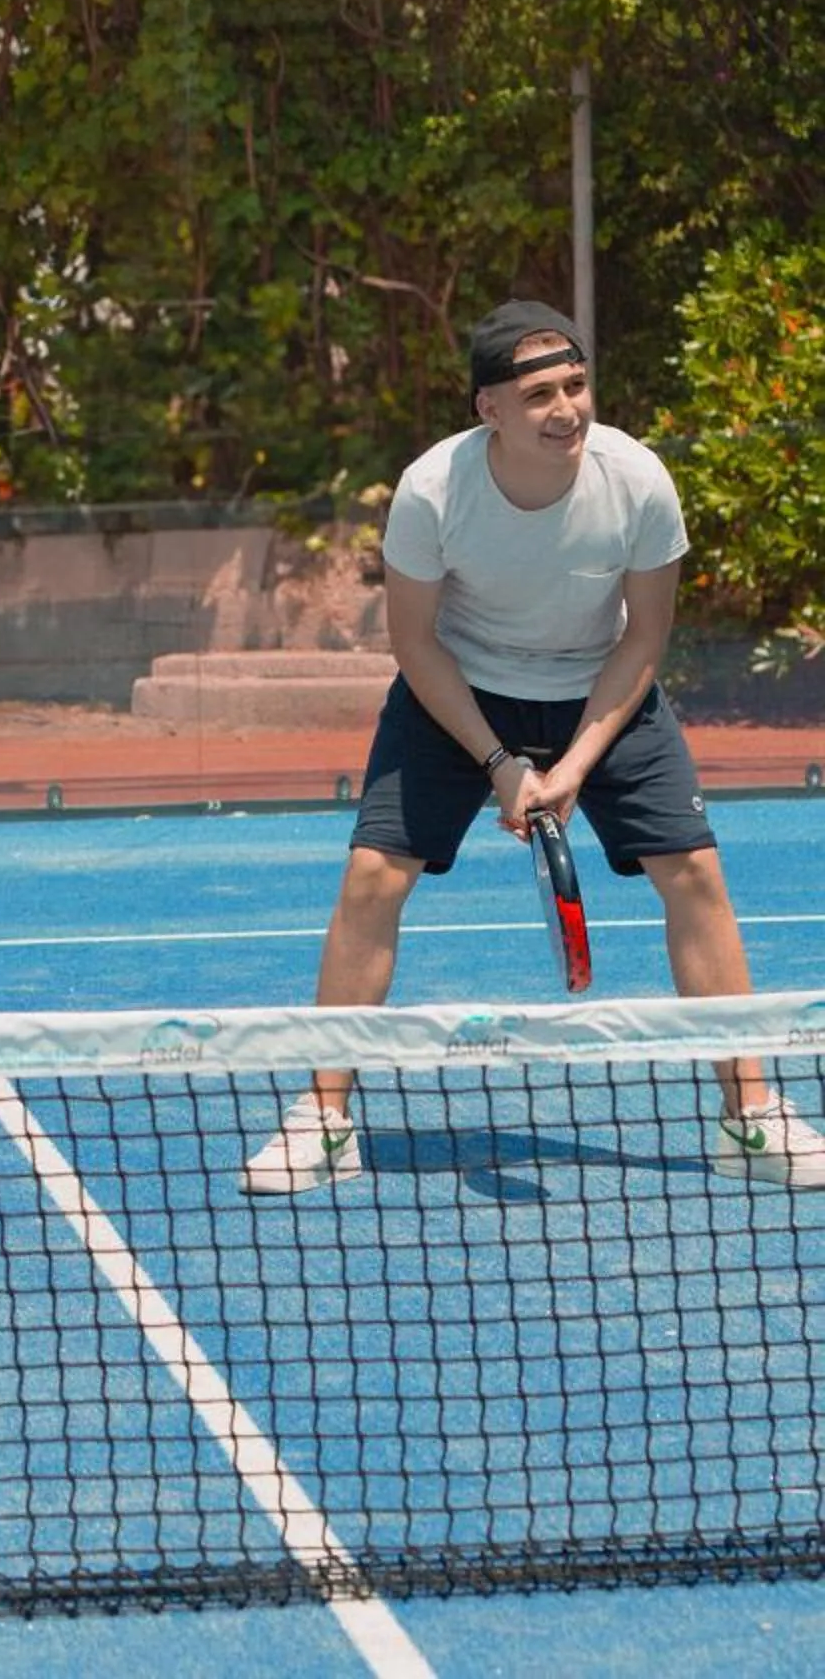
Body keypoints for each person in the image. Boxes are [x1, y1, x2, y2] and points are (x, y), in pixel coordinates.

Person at [242, 297, 825, 1194]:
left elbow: (643, 642)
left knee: (695, 874)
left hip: (601, 687)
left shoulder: (638, 482)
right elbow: (415, 646)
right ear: (491, 410)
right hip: (459, 690)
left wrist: (574, 766)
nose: (568, 408)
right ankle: (323, 1118)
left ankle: (749, 1113)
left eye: (578, 384)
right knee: (372, 877)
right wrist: (501, 765)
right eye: (542, 393)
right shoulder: (433, 490)